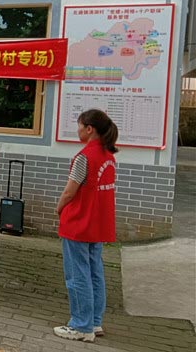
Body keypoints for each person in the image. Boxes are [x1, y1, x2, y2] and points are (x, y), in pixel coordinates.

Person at [53, 109, 118, 343]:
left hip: (79, 224)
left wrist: (59, 208)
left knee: (77, 275)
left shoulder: (84, 157)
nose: (77, 130)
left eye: (79, 126)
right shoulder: (108, 156)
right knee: (95, 272)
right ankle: (94, 321)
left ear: (89, 129)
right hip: (98, 225)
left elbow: (70, 192)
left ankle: (81, 325)